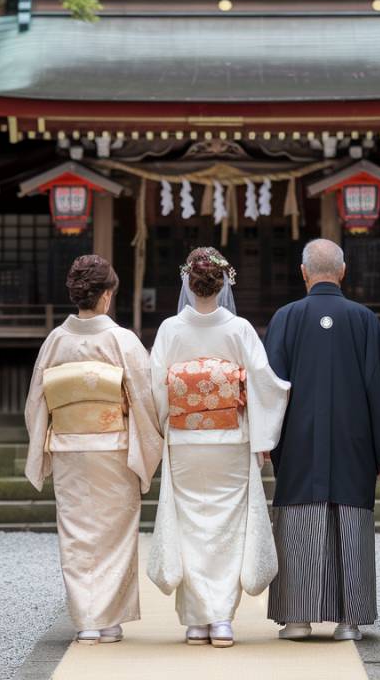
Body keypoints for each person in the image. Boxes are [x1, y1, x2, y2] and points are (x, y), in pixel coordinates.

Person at [264, 238, 380, 641]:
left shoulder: (286, 318)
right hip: (355, 442)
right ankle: (350, 620)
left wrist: (268, 439)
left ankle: (297, 618)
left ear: (304, 272)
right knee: (350, 518)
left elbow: (270, 388)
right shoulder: (364, 320)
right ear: (342, 272)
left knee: (299, 519)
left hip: (298, 441)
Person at [147, 247, 290, 648]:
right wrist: (262, 436)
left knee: (191, 525)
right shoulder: (239, 329)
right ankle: (221, 619)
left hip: (186, 440)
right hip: (230, 438)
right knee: (227, 527)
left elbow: (155, 386)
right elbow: (264, 383)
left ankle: (196, 621)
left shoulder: (170, 330)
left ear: (188, 283)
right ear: (224, 281)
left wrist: (166, 425)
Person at [23, 254, 163, 645]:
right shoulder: (122, 340)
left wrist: (45, 443)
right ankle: (109, 619)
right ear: (105, 296)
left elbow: (36, 401)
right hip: (113, 448)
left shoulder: (56, 341)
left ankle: (86, 619)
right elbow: (145, 398)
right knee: (115, 531)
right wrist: (151, 442)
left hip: (69, 447)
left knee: (76, 531)